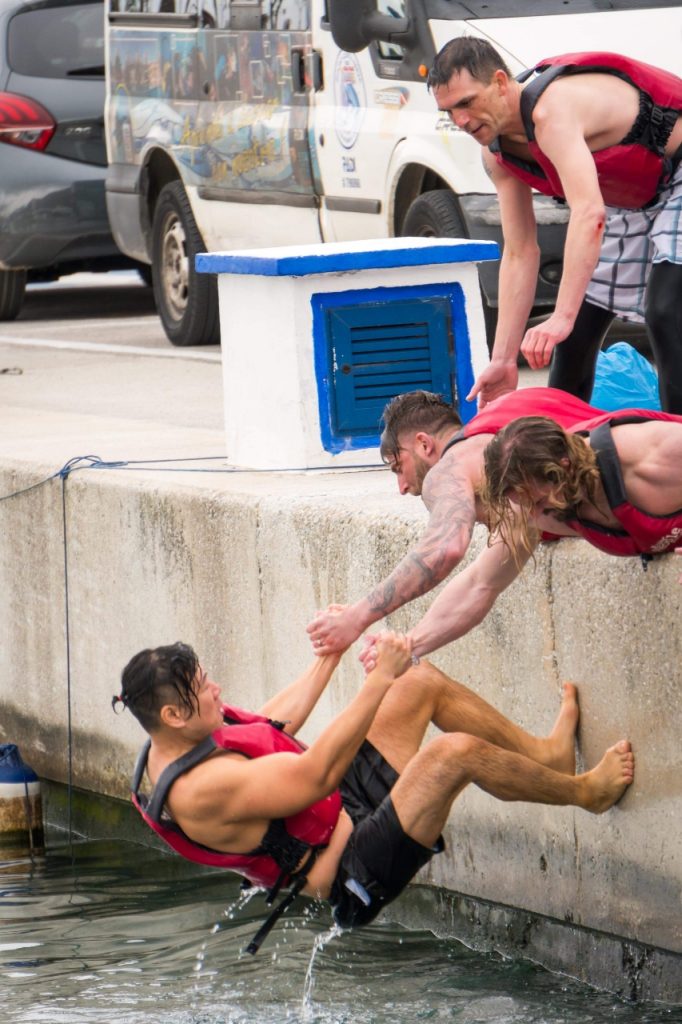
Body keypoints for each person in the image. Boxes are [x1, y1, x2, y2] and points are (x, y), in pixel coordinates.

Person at [116, 634, 634, 952]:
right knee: (451, 754)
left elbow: (276, 723)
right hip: (352, 868)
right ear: (172, 715)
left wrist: (332, 653)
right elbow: (316, 774)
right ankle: (585, 792)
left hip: (343, 804)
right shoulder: (201, 790)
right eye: (205, 686)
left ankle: (547, 759)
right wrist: (377, 679)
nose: (217, 690)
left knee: (419, 681)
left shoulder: (185, 730)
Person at [426, 38, 682, 411]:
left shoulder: (551, 113)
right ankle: (561, 453)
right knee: (575, 330)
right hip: (638, 195)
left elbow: (589, 214)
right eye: (449, 111)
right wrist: (503, 359)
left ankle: (673, 451)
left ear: (500, 83)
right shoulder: (496, 154)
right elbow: (519, 251)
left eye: (467, 102)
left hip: (675, 172)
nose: (460, 121)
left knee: (665, 309)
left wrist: (560, 316)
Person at [308, 386, 613, 655]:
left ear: (424, 444)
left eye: (398, 467)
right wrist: (408, 647)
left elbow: (445, 548)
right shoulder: (511, 470)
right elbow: (480, 584)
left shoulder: (452, 464)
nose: (402, 488)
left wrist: (356, 618)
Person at [397, 409, 682, 659]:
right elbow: (479, 584)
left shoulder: (654, 456)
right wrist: (408, 647)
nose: (533, 518)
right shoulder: (540, 506)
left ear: (563, 468)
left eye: (538, 504)